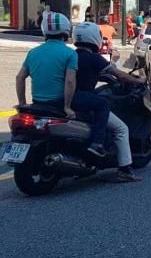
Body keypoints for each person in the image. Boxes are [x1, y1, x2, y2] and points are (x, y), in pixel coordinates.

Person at [15, 12, 109, 158]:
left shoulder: (33, 52)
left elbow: (20, 78)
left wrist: (22, 103)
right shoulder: (69, 54)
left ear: (45, 31)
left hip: (38, 103)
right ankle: (97, 143)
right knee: (102, 103)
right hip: (58, 103)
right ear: (66, 32)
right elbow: (70, 81)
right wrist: (67, 106)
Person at [72, 22, 146, 182]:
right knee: (121, 129)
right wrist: (137, 80)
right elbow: (119, 74)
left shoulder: (71, 56)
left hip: (66, 100)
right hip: (85, 100)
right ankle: (125, 169)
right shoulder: (94, 58)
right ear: (94, 38)